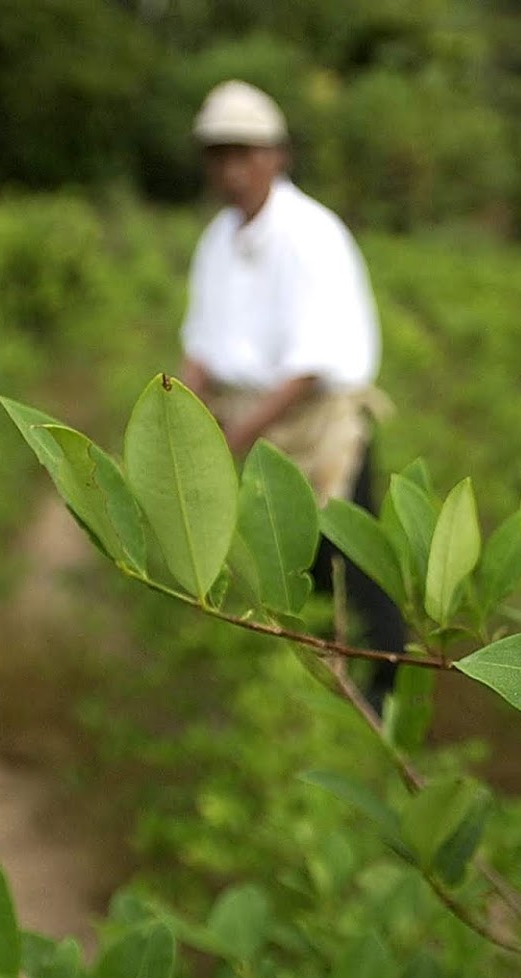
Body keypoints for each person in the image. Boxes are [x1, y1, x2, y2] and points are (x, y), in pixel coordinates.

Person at [178, 79, 405, 709]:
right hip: (252, 418)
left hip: (316, 424)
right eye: (219, 156)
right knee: (285, 556)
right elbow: (201, 347)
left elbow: (309, 367)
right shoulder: (218, 240)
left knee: (354, 564)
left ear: (277, 156)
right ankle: (303, 684)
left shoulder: (310, 234)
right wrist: (173, 417)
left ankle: (388, 687)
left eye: (244, 154)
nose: (232, 170)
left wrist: (234, 437)